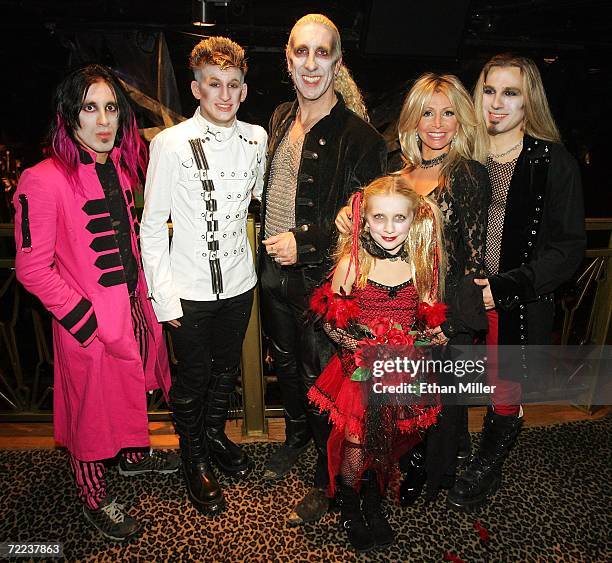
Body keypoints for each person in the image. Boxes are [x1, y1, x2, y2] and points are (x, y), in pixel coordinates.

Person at [13, 64, 178, 542]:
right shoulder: (41, 179)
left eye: (111, 108)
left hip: (130, 308)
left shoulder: (119, 172)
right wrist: (84, 321)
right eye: (90, 108)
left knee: (131, 389)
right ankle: (93, 496)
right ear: (70, 117)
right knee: (89, 412)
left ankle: (131, 455)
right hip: (86, 322)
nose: (103, 121)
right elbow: (31, 269)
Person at [336, 73, 491, 501]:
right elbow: (376, 234)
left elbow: (474, 259)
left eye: (449, 113)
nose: (437, 124)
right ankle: (393, 473)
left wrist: (453, 325)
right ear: (412, 119)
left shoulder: (468, 175)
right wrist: (346, 219)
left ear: (462, 121)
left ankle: (430, 473)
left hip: (441, 317)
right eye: (427, 112)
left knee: (436, 413)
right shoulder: (397, 174)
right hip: (396, 311)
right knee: (393, 408)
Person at [259, 13, 387, 525]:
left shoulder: (361, 138)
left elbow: (374, 225)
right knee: (286, 369)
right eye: (301, 52)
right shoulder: (280, 117)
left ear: (337, 62)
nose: (311, 64)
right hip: (273, 277)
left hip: (323, 287)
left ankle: (325, 475)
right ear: (288, 60)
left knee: (323, 384)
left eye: (323, 53)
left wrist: (307, 243)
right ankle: (294, 440)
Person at [447, 54, 586, 511]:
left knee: (505, 386)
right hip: (459, 299)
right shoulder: (460, 153)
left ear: (531, 102)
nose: (497, 104)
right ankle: (459, 447)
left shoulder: (553, 162)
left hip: (515, 302)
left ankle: (489, 459)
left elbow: (567, 249)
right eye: (489, 90)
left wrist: (504, 288)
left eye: (511, 93)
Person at [140, 37, 267, 515]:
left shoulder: (257, 137)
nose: (225, 95)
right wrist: (164, 299)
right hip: (187, 290)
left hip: (239, 283)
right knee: (192, 380)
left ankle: (213, 436)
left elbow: (257, 196)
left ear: (245, 89)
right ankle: (193, 458)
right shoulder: (169, 145)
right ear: (196, 88)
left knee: (226, 370)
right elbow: (151, 227)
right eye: (214, 84)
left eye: (233, 85)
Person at [308, 174, 444, 551]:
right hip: (359, 374)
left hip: (401, 374)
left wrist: (432, 337)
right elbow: (332, 324)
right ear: (364, 219)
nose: (389, 228)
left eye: (399, 219)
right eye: (379, 217)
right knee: (356, 443)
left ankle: (374, 502)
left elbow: (426, 319)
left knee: (386, 443)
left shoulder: (421, 265)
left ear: (414, 219)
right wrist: (363, 347)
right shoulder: (354, 264)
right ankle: (350, 506)